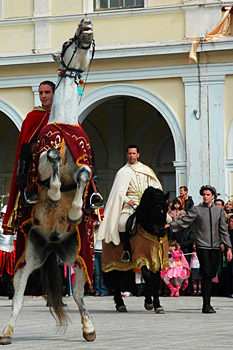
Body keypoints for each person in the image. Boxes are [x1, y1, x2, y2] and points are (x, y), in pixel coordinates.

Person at [166, 185, 232, 313]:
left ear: (213, 196)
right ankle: (206, 305)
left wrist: (228, 247)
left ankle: (207, 303)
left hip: (215, 247)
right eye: (204, 194)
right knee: (206, 273)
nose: (205, 197)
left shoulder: (218, 211)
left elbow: (224, 231)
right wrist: (170, 226)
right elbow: (183, 221)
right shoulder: (196, 210)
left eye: (208, 194)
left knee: (212, 273)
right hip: (202, 246)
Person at [3, 81, 55, 235]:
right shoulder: (33, 117)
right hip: (36, 162)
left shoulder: (63, 116)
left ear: (54, 94)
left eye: (47, 92)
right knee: (26, 149)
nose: (43, 96)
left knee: (82, 142)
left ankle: (93, 191)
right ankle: (26, 190)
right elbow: (24, 143)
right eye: (41, 93)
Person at [98, 145, 162, 262]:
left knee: (166, 219)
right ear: (127, 155)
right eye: (129, 153)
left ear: (138, 154)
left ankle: (164, 246)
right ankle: (126, 251)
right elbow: (118, 192)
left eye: (134, 153)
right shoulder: (122, 172)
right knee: (122, 223)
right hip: (130, 204)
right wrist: (127, 200)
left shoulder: (146, 170)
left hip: (146, 204)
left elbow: (155, 187)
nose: (131, 156)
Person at [0, 205, 16, 299]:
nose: (4, 216)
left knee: (11, 272)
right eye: (3, 214)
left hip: (11, 249)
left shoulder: (13, 225)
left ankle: (11, 292)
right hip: (1, 249)